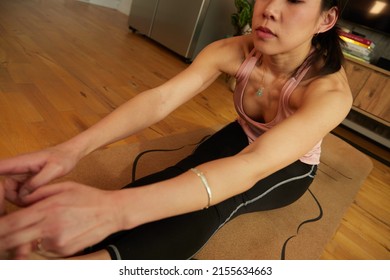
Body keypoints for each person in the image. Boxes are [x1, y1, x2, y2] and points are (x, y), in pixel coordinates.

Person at [0, 0, 352, 260]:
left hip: (288, 167)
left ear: (327, 18)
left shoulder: (330, 93)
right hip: (241, 132)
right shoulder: (235, 51)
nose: (270, 8)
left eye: (294, 0)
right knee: (178, 177)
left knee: (217, 201)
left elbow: (252, 165)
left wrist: (112, 210)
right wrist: (69, 150)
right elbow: (161, 100)